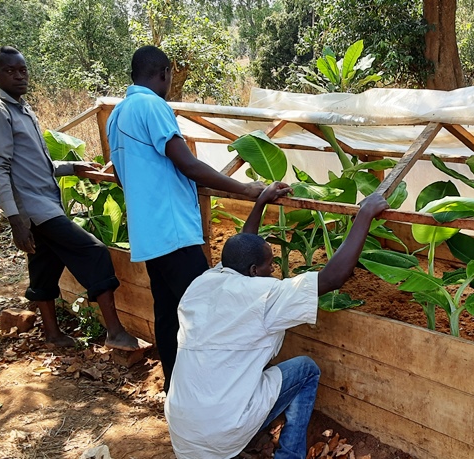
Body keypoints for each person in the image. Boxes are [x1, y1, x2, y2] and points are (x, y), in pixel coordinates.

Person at [165, 182, 390, 459]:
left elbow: (241, 249)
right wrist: (365, 214)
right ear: (253, 270)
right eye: (270, 265)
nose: (274, 269)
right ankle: (289, 455)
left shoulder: (202, 283)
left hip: (183, 430)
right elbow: (333, 277)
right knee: (306, 370)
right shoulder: (265, 295)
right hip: (223, 431)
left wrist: (261, 202)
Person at [106, 45, 265, 391]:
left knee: (167, 314)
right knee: (206, 315)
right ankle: (211, 398)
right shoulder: (152, 105)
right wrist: (245, 190)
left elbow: (121, 176)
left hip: (148, 237)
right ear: (164, 73)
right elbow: (187, 164)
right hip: (174, 232)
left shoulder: (116, 116)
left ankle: (174, 389)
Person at [0, 46, 150, 351]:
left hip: (43, 202)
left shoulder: (21, 107)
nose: (19, 76)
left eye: (22, 70)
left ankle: (53, 334)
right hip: (34, 208)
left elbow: (34, 163)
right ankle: (114, 332)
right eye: (10, 71)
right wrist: (15, 219)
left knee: (44, 264)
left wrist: (72, 166)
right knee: (94, 252)